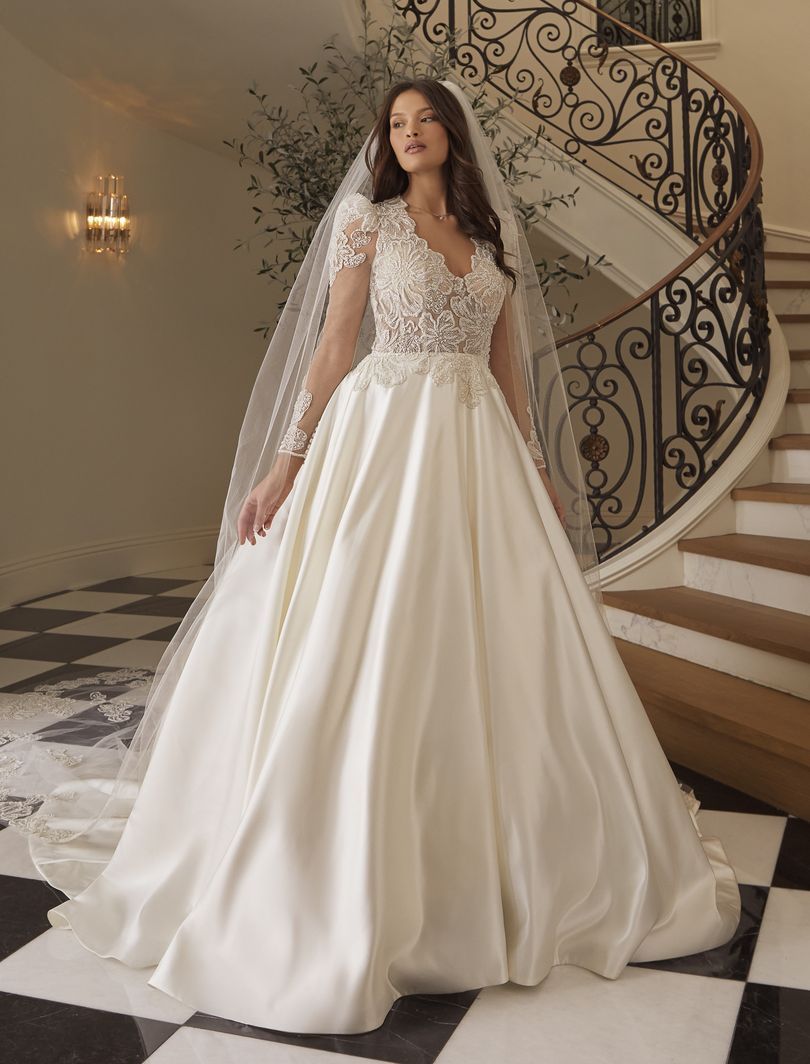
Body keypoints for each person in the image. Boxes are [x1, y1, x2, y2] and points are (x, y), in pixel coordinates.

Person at [1, 76, 740, 1036]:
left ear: (453, 133)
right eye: (397, 124)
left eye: (425, 118)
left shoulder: (493, 242)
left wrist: (538, 464)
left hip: (478, 451)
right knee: (370, 630)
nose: (412, 132)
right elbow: (334, 345)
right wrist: (282, 468)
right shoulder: (369, 219)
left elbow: (508, 369)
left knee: (496, 638)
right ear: (387, 145)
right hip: (384, 436)